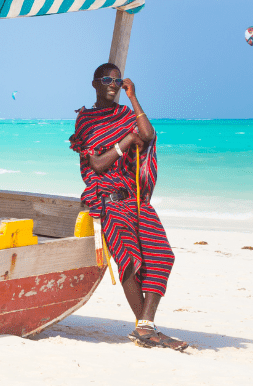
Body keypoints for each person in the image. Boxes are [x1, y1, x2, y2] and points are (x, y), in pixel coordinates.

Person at [69, 63, 187, 350]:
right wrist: (124, 143)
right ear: (95, 83)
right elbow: (96, 164)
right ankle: (146, 328)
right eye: (107, 79)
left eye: (117, 80)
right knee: (130, 261)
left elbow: (147, 134)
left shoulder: (125, 114)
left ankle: (145, 327)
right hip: (108, 200)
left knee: (162, 255)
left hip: (136, 200)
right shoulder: (86, 122)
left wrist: (133, 99)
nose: (113, 83)